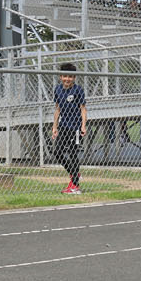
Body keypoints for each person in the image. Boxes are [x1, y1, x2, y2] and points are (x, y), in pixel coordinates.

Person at [52, 62, 88, 194]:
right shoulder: (57, 89)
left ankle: (75, 186)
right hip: (63, 126)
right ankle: (74, 173)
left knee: (73, 153)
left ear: (74, 78)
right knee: (57, 152)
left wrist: (83, 125)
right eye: (65, 76)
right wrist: (54, 127)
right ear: (60, 77)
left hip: (75, 127)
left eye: (71, 77)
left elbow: (83, 109)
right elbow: (58, 108)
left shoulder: (78, 90)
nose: (67, 79)